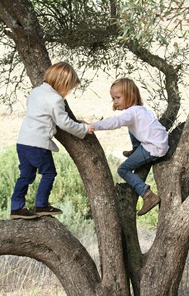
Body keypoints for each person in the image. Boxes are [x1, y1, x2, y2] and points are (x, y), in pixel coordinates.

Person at [10, 62, 94, 220]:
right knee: (49, 173)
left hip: (23, 142)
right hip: (38, 144)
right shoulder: (56, 100)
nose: (68, 92)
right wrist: (84, 129)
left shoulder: (35, 92)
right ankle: (41, 205)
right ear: (62, 83)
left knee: (26, 175)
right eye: (68, 88)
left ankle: (16, 207)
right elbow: (64, 123)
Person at [92, 78, 169, 216]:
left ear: (130, 95)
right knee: (130, 126)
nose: (115, 101)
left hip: (153, 148)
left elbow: (114, 122)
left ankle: (148, 195)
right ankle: (136, 149)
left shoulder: (131, 113)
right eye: (113, 98)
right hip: (160, 142)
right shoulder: (140, 110)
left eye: (118, 97)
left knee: (122, 169)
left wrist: (93, 126)